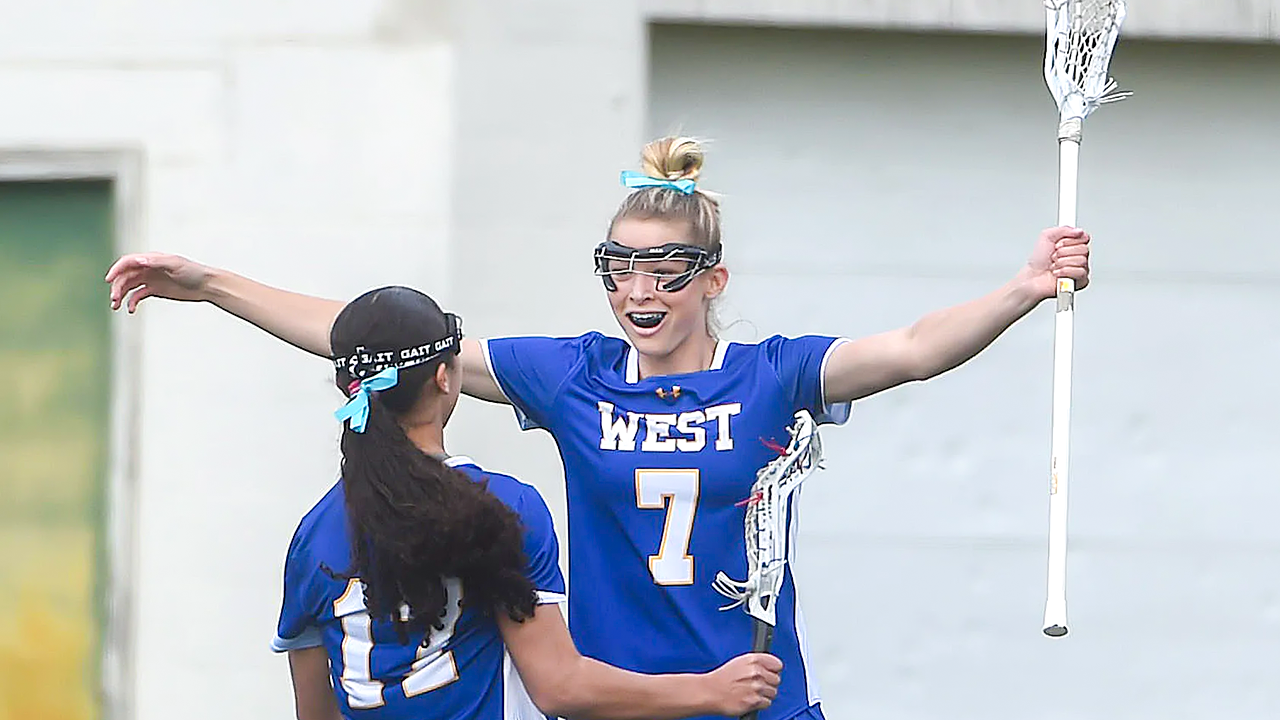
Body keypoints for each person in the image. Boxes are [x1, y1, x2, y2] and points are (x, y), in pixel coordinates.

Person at [106, 136, 1091, 720]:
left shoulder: (770, 374)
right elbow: (384, 346)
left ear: (711, 278)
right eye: (618, 266)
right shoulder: (569, 375)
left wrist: (1020, 288)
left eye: (663, 267)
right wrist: (210, 285)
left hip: (754, 701)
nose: (637, 287)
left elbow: (914, 347)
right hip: (619, 705)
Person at [266, 285, 782, 720]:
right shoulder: (499, 508)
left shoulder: (313, 536)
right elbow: (560, 686)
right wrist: (710, 690)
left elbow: (314, 711)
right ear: (447, 378)